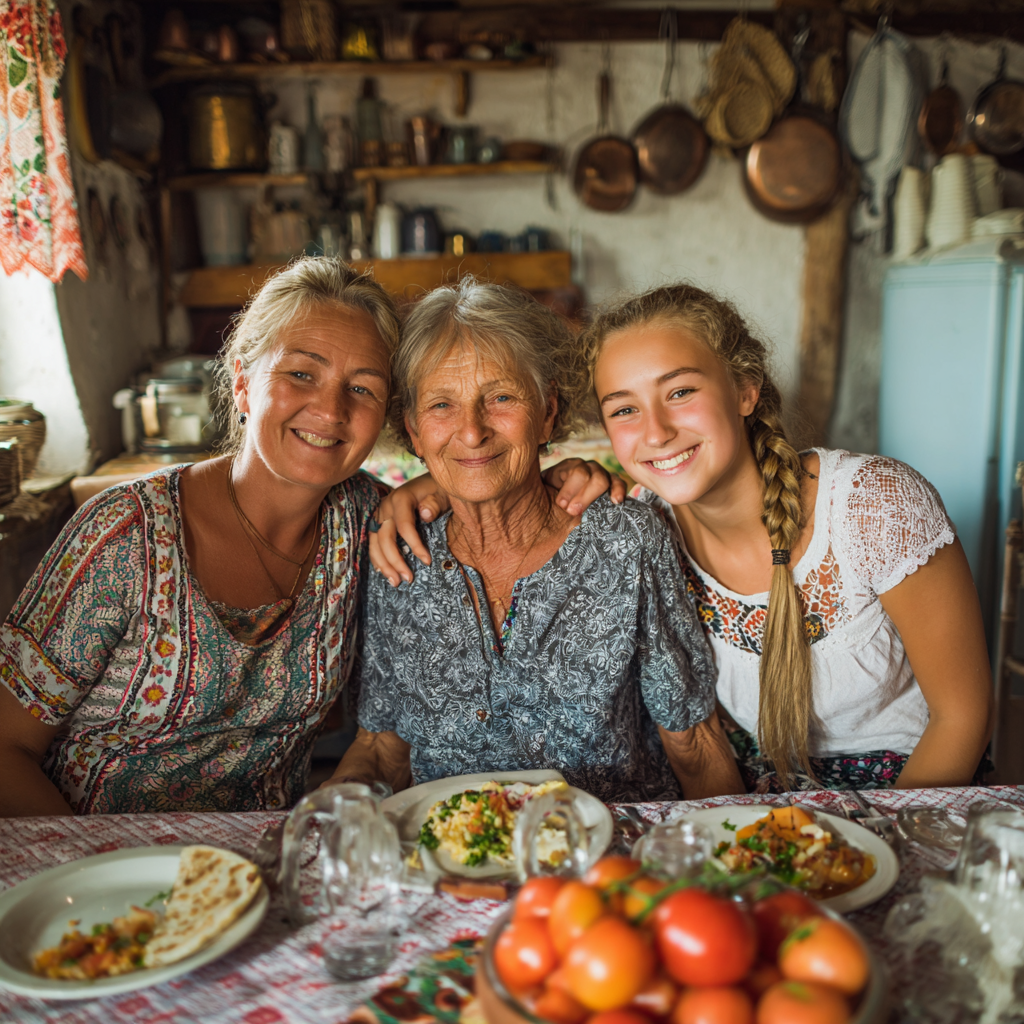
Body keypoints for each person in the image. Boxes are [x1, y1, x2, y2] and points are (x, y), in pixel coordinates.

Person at [0, 258, 615, 817]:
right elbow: (6, 747)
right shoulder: (126, 533)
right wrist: (86, 869)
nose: (329, 410)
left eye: (362, 388)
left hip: (258, 862)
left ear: (387, 417)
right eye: (300, 373)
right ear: (242, 383)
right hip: (88, 875)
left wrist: (552, 476)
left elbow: (484, 471)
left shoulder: (369, 523)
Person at [330, 279, 744, 802]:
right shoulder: (399, 553)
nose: (473, 431)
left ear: (547, 411)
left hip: (603, 860)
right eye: (441, 405)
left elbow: (695, 743)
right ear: (412, 430)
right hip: (454, 861)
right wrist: (332, 814)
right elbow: (381, 748)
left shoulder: (626, 542)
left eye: (501, 397)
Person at [581, 284, 994, 791]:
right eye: (624, 409)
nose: (656, 431)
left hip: (912, 791)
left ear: (745, 390)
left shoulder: (874, 506)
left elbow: (963, 718)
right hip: (757, 796)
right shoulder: (645, 529)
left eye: (681, 392)